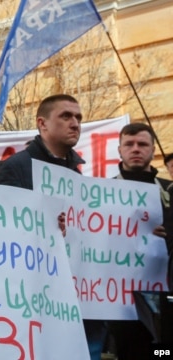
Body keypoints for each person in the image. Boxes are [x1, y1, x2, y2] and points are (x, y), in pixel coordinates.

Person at [0, 94, 109, 358]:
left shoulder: (77, 172)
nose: (75, 123)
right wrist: (44, 226)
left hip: (80, 294)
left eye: (78, 117)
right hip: (37, 294)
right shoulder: (16, 167)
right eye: (66, 116)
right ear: (42, 124)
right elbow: (2, 230)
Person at [106, 122, 173, 359]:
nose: (136, 149)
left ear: (153, 150)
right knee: (135, 352)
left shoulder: (170, 191)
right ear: (120, 150)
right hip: (124, 300)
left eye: (142, 144)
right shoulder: (101, 193)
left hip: (166, 296)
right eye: (129, 144)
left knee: (163, 353)